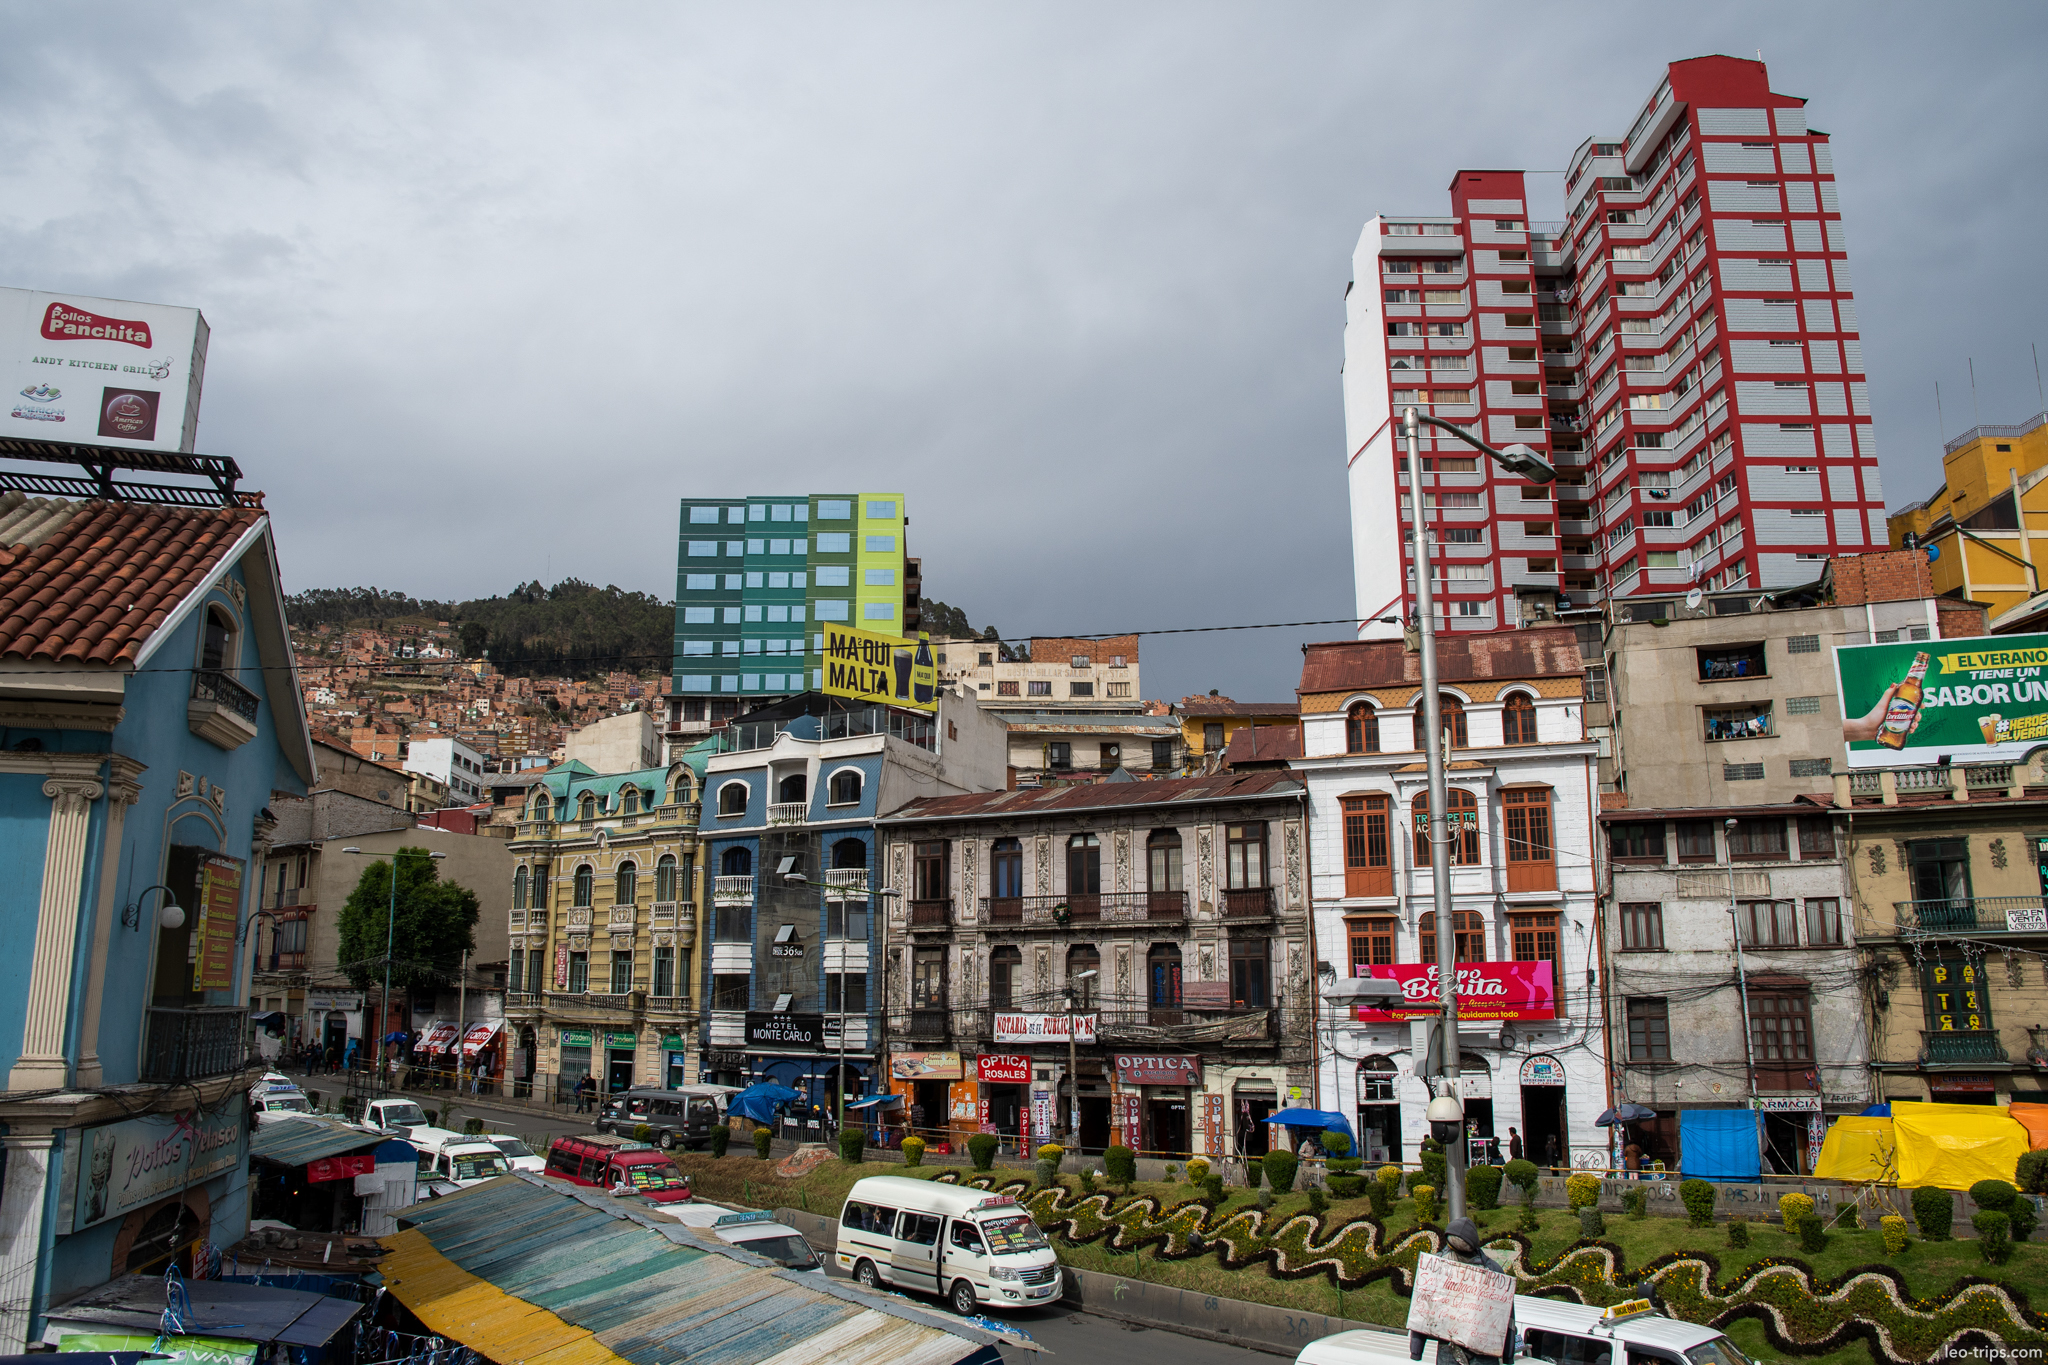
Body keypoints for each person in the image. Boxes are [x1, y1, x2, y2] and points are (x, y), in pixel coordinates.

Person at [1410, 1216, 1516, 1364]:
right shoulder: (1435, 1266)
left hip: (1482, 1350)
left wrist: (1416, 1349)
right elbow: (1422, 1309)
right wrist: (1416, 1348)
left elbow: (1506, 1316)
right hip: (1450, 1347)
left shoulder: (1493, 1273)